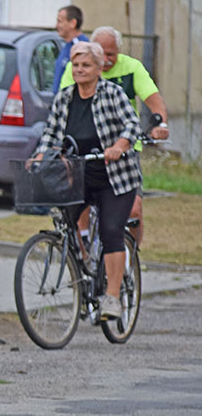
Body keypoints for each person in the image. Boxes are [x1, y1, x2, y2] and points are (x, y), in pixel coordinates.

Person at [31, 41, 141, 320]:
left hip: (115, 177)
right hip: (79, 174)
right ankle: (86, 266)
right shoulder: (65, 97)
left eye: (85, 65)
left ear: (99, 67)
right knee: (65, 220)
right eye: (76, 65)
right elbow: (51, 133)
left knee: (111, 229)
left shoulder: (112, 94)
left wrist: (120, 145)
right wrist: (40, 155)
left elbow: (132, 124)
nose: (79, 70)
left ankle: (113, 297)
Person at [60, 25, 170, 245]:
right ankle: (82, 263)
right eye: (102, 53)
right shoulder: (79, 68)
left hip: (122, 150)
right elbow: (62, 107)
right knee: (79, 207)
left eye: (112, 54)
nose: (107, 59)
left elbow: (154, 100)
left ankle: (131, 256)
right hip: (86, 149)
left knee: (134, 210)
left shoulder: (131, 68)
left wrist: (161, 124)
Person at [53, 5, 89, 93]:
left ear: (73, 23)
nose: (56, 26)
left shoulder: (83, 47)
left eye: (60, 21)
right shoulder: (67, 46)